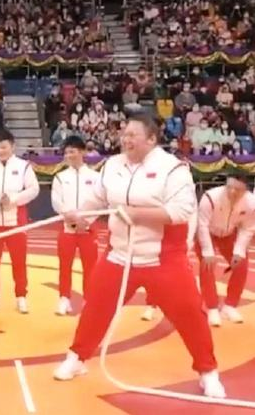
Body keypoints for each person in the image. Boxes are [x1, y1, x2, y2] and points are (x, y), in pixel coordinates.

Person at [53, 114, 225, 399]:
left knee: (189, 313)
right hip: (119, 255)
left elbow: (181, 210)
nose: (126, 139)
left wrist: (137, 214)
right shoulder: (112, 165)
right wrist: (81, 214)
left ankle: (208, 371)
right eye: (124, 134)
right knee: (96, 306)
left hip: (163, 259)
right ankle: (77, 357)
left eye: (133, 135)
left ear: (152, 139)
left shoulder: (173, 169)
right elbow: (98, 198)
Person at [0, 130, 39, 313]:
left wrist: (13, 199)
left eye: (4, 147)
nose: (0, 151)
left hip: (16, 221)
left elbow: (33, 189)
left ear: (12, 147)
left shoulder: (24, 166)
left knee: (19, 261)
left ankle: (21, 296)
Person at [195, 174, 255, 326]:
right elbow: (202, 225)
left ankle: (230, 306)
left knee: (241, 265)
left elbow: (248, 228)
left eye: (238, 190)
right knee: (207, 266)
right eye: (229, 187)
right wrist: (208, 251)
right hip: (207, 231)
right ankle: (212, 307)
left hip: (229, 234)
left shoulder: (251, 203)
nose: (232, 192)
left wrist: (239, 251)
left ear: (245, 190)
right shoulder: (210, 198)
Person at [50, 136, 100, 316]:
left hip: (88, 229)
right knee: (65, 265)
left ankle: (89, 300)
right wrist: (69, 217)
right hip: (67, 229)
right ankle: (64, 299)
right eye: (66, 152)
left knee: (90, 267)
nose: (69, 155)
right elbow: (56, 201)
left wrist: (86, 221)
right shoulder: (60, 177)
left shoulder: (95, 177)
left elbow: (100, 202)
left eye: (72, 151)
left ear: (83, 152)